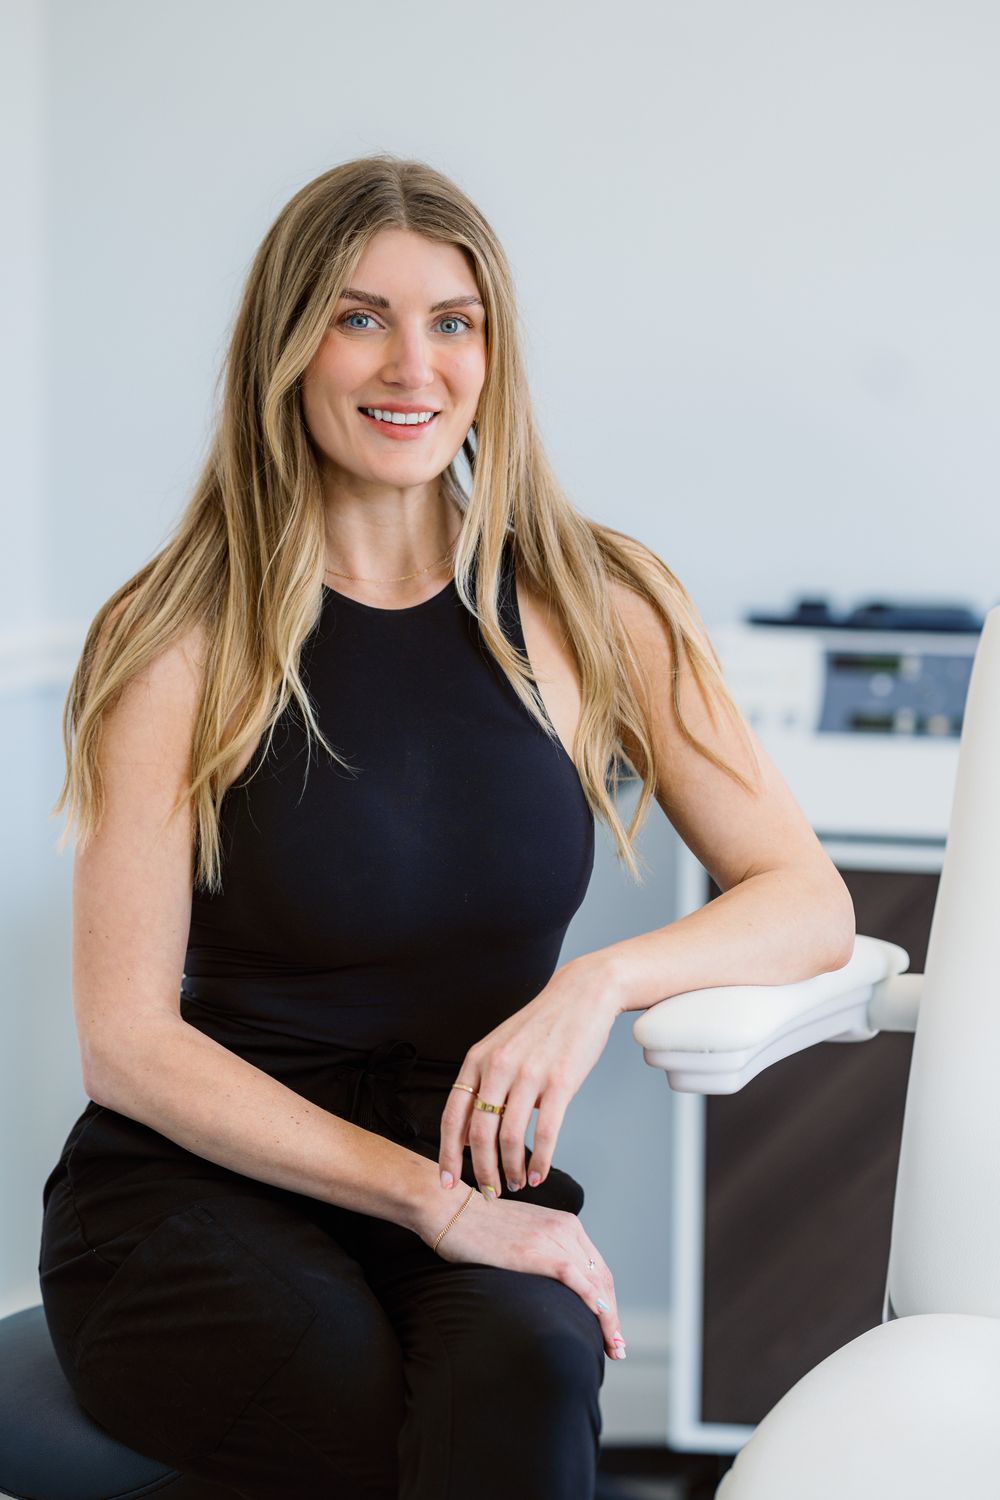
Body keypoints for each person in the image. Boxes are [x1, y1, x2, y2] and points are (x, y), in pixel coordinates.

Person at [38, 154, 855, 1499]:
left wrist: (598, 985)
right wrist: (442, 1208)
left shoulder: (602, 609)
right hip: (194, 1194)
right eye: (360, 317)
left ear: (493, 351)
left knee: (527, 1378)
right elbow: (127, 1047)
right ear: (289, 349)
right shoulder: (181, 634)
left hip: (468, 1167)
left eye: (451, 321)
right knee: (358, 1383)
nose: (410, 364)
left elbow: (803, 898)